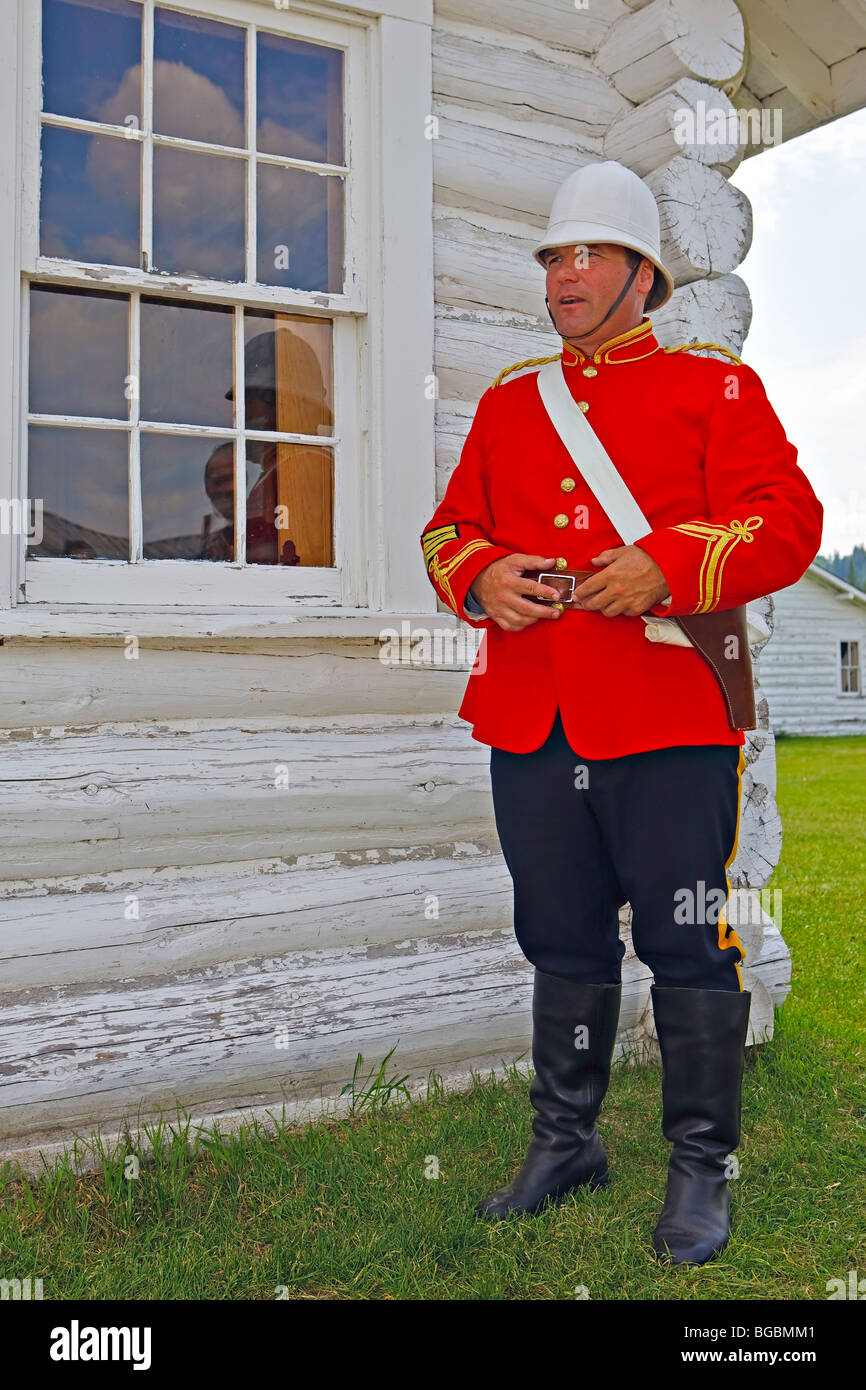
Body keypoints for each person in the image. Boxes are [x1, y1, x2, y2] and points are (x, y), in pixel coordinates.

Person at [419, 161, 824, 1266]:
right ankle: (566, 1144)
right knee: (555, 934)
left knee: (687, 941)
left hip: (665, 715)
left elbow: (786, 522)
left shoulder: (711, 386)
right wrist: (482, 577)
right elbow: (447, 529)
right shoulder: (510, 400)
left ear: (642, 275)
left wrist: (665, 566)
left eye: (588, 255)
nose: (564, 274)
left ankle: (701, 1164)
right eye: (554, 256)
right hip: (532, 717)